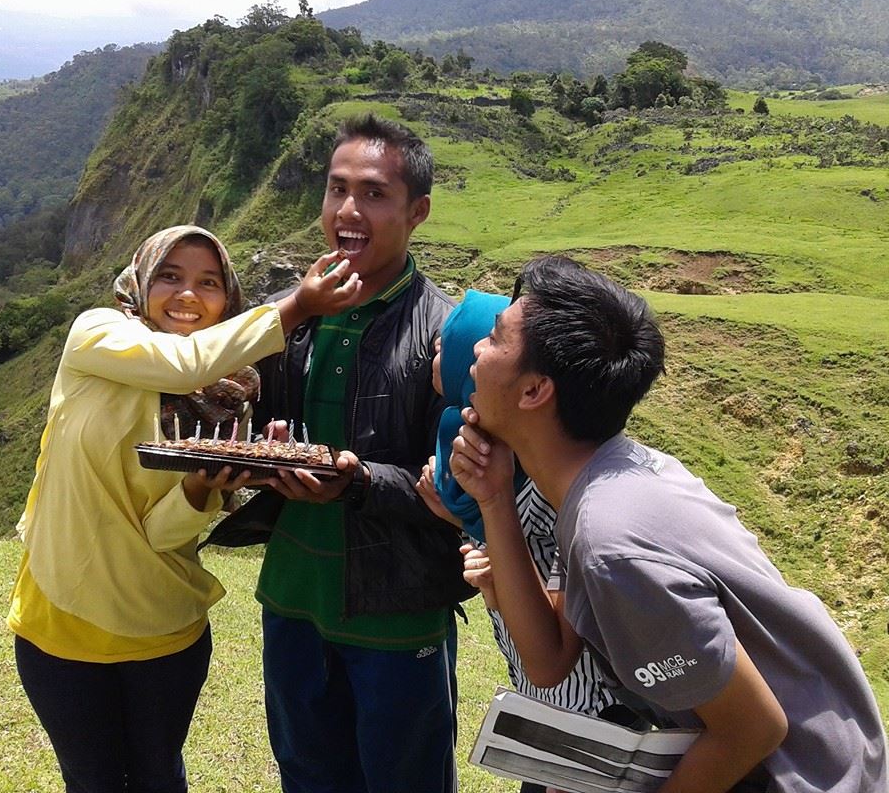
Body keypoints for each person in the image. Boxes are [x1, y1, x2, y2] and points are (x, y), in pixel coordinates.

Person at [449, 255, 888, 793]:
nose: (476, 349)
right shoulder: (605, 480)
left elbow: (754, 729)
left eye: (494, 338)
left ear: (535, 390)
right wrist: (494, 500)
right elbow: (550, 659)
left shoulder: (612, 539)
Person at [7, 224, 362, 793]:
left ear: (229, 299)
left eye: (209, 282)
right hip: (61, 615)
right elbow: (181, 365)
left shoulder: (225, 399)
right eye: (170, 277)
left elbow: (160, 535)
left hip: (164, 623)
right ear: (141, 282)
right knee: (91, 780)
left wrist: (202, 490)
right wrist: (297, 305)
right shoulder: (95, 335)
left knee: (158, 778)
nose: (189, 295)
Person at [202, 114, 473, 793]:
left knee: (405, 782)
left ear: (418, 212)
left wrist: (355, 482)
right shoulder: (290, 318)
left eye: (375, 194)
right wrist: (238, 455)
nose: (349, 210)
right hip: (292, 598)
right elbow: (251, 421)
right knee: (307, 774)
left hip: (397, 612)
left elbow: (461, 492)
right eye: (337, 189)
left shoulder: (446, 336)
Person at [415, 288, 616, 793]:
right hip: (543, 693)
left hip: (585, 709)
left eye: (490, 341)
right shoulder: (502, 468)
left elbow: (558, 627)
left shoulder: (557, 485)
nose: (477, 353)